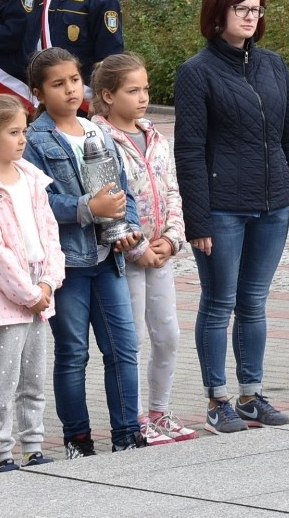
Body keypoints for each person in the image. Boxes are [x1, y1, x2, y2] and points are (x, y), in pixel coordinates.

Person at [173, 0, 289, 434]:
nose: (252, 17)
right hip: (222, 209)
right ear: (219, 13)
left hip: (273, 204)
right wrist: (197, 220)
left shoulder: (273, 65)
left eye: (257, 10)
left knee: (254, 302)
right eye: (243, 9)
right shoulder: (196, 73)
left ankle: (251, 395)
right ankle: (218, 400)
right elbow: (189, 151)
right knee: (219, 303)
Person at [23, 46, 147, 457]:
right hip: (68, 266)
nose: (70, 90)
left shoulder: (97, 132)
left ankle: (128, 433)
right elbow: (36, 203)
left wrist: (125, 229)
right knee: (73, 353)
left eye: (74, 80)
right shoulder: (37, 140)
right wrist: (86, 209)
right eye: (57, 84)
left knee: (123, 348)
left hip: (107, 260)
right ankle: (78, 438)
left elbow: (122, 192)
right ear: (38, 92)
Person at [90, 52, 199, 446]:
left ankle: (159, 410)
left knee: (168, 333)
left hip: (161, 253)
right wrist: (136, 249)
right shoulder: (98, 139)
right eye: (132, 90)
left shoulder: (155, 136)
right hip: (126, 257)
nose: (142, 97)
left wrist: (171, 239)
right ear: (107, 94)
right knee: (131, 338)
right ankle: (133, 418)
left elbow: (172, 190)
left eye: (146, 89)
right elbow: (106, 200)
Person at [0, 94, 65, 473]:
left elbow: (50, 232)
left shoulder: (32, 178)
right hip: (5, 300)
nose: (22, 139)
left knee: (34, 376)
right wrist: (28, 294)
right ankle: (1, 453)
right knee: (2, 382)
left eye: (23, 131)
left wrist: (50, 282)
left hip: (39, 288)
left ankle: (33, 446)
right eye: (14, 132)